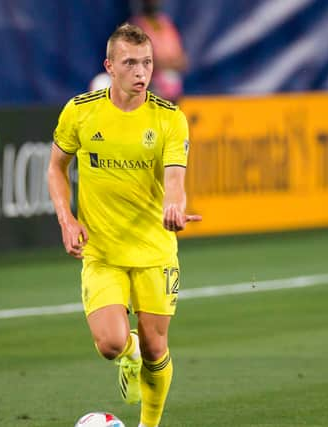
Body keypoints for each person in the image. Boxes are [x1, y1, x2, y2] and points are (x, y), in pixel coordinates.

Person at [48, 23, 201, 427]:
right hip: (102, 250)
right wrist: (67, 220)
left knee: (156, 348)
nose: (141, 72)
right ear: (110, 67)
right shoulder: (81, 111)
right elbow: (55, 168)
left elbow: (174, 182)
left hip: (153, 250)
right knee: (112, 344)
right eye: (130, 63)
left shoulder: (169, 119)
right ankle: (127, 354)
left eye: (147, 63)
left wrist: (174, 206)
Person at [130, 0, 187, 102]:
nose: (154, 3)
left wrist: (168, 64)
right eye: (149, 2)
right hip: (146, 80)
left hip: (168, 79)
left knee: (170, 78)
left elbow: (182, 61)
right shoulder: (136, 26)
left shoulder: (166, 24)